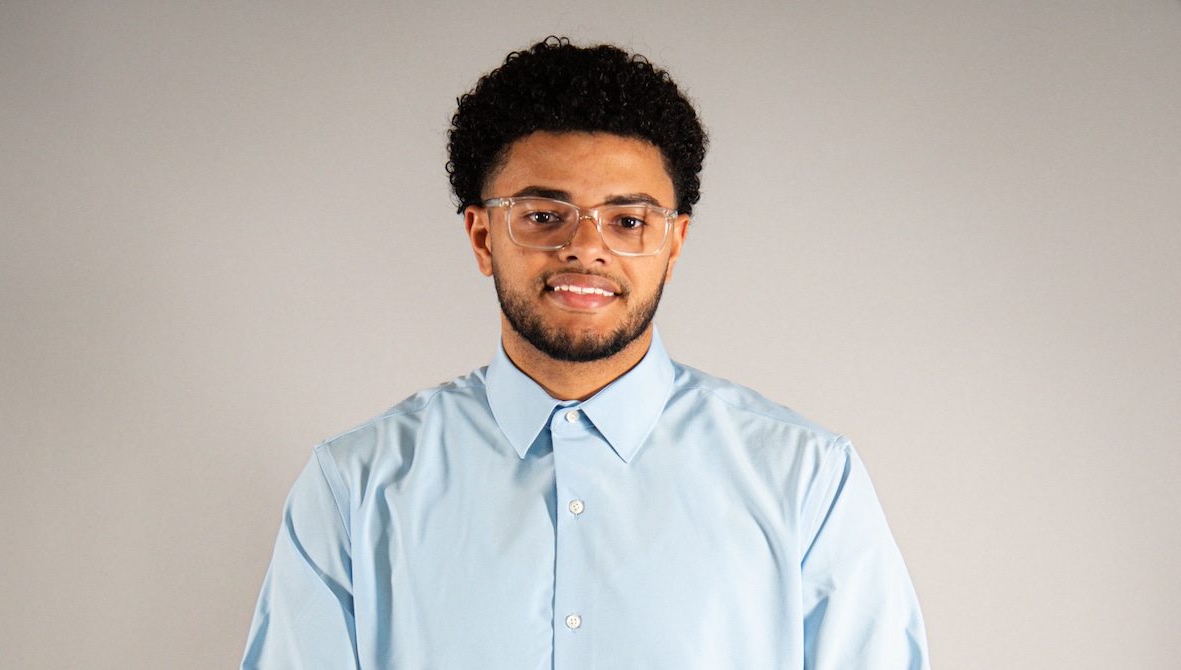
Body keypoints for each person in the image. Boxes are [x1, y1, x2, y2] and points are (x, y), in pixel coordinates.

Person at [242, 37, 929, 669]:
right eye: (544, 215)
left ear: (674, 243)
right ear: (483, 237)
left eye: (628, 220)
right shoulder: (355, 488)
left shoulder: (806, 482)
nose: (586, 247)